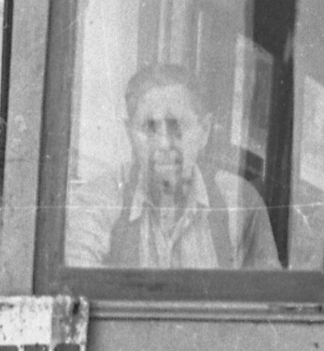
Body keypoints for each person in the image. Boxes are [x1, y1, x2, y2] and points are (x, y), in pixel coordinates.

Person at [64, 64, 280, 271]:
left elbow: (268, 302)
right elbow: (76, 294)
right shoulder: (97, 202)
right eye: (149, 128)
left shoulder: (238, 202)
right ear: (129, 133)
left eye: (177, 127)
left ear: (204, 131)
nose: (164, 144)